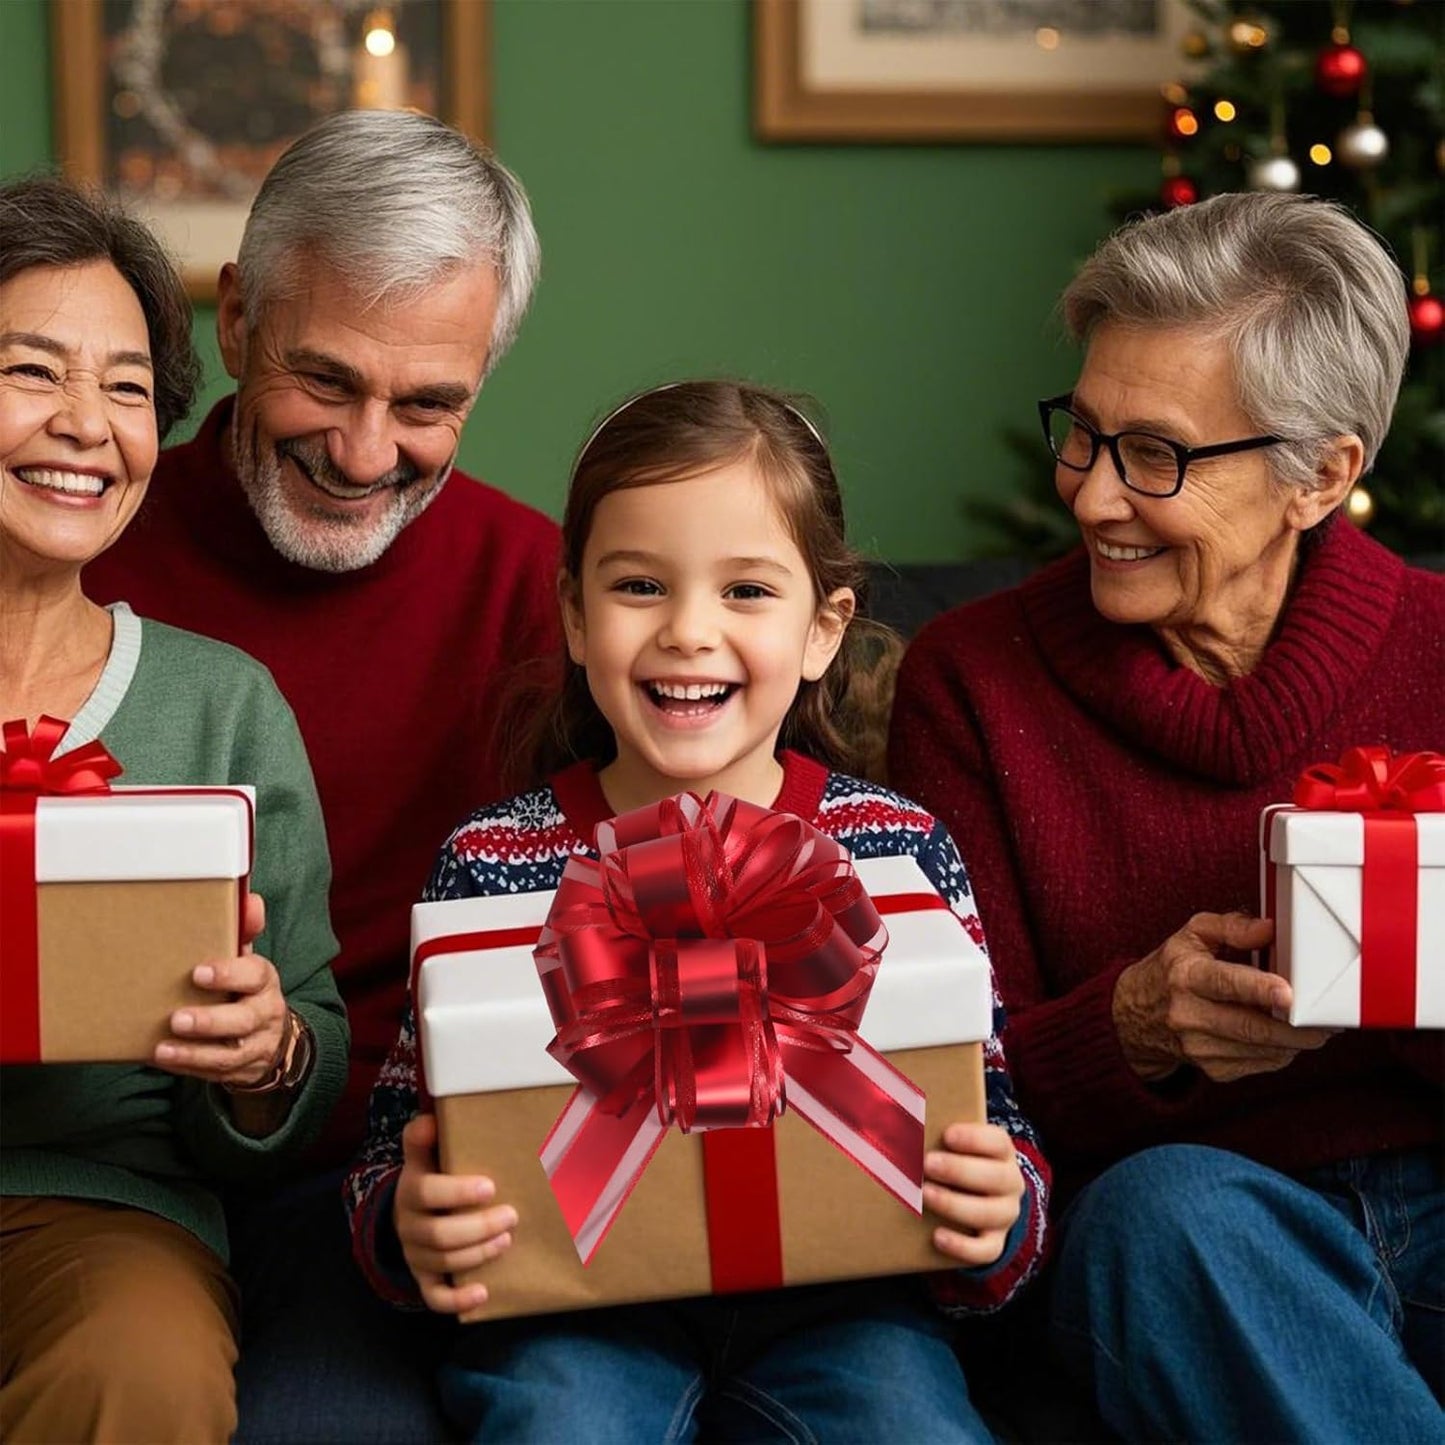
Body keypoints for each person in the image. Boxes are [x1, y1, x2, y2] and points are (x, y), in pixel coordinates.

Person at [345, 379, 1052, 1443]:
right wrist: (406, 1221)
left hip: (846, 1305)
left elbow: (991, 1119)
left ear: (823, 630)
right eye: (638, 585)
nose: (686, 631)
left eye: (745, 592)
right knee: (560, 1418)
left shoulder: (896, 851)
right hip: (572, 1308)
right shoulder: (492, 863)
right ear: (576, 617)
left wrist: (997, 1216)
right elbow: (393, 1142)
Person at [889, 192, 1444, 1443]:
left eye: (1156, 456)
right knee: (1167, 1214)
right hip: (1188, 1230)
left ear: (1324, 475)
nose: (1087, 498)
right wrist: (1126, 1030)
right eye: (1080, 435)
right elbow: (936, 1100)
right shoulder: (972, 682)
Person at [83, 110, 561, 1440]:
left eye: (427, 405)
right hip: (101, 1164)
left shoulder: (550, 592)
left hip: (389, 1174)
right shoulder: (77, 547)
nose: (365, 454)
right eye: (326, 382)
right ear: (234, 321)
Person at [0, 177, 346, 1443]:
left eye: (130, 387)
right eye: (32, 372)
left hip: (104, 1209)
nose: (87, 424)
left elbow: (308, 1039)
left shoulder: (222, 705)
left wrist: (265, 1059)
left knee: (137, 1364)